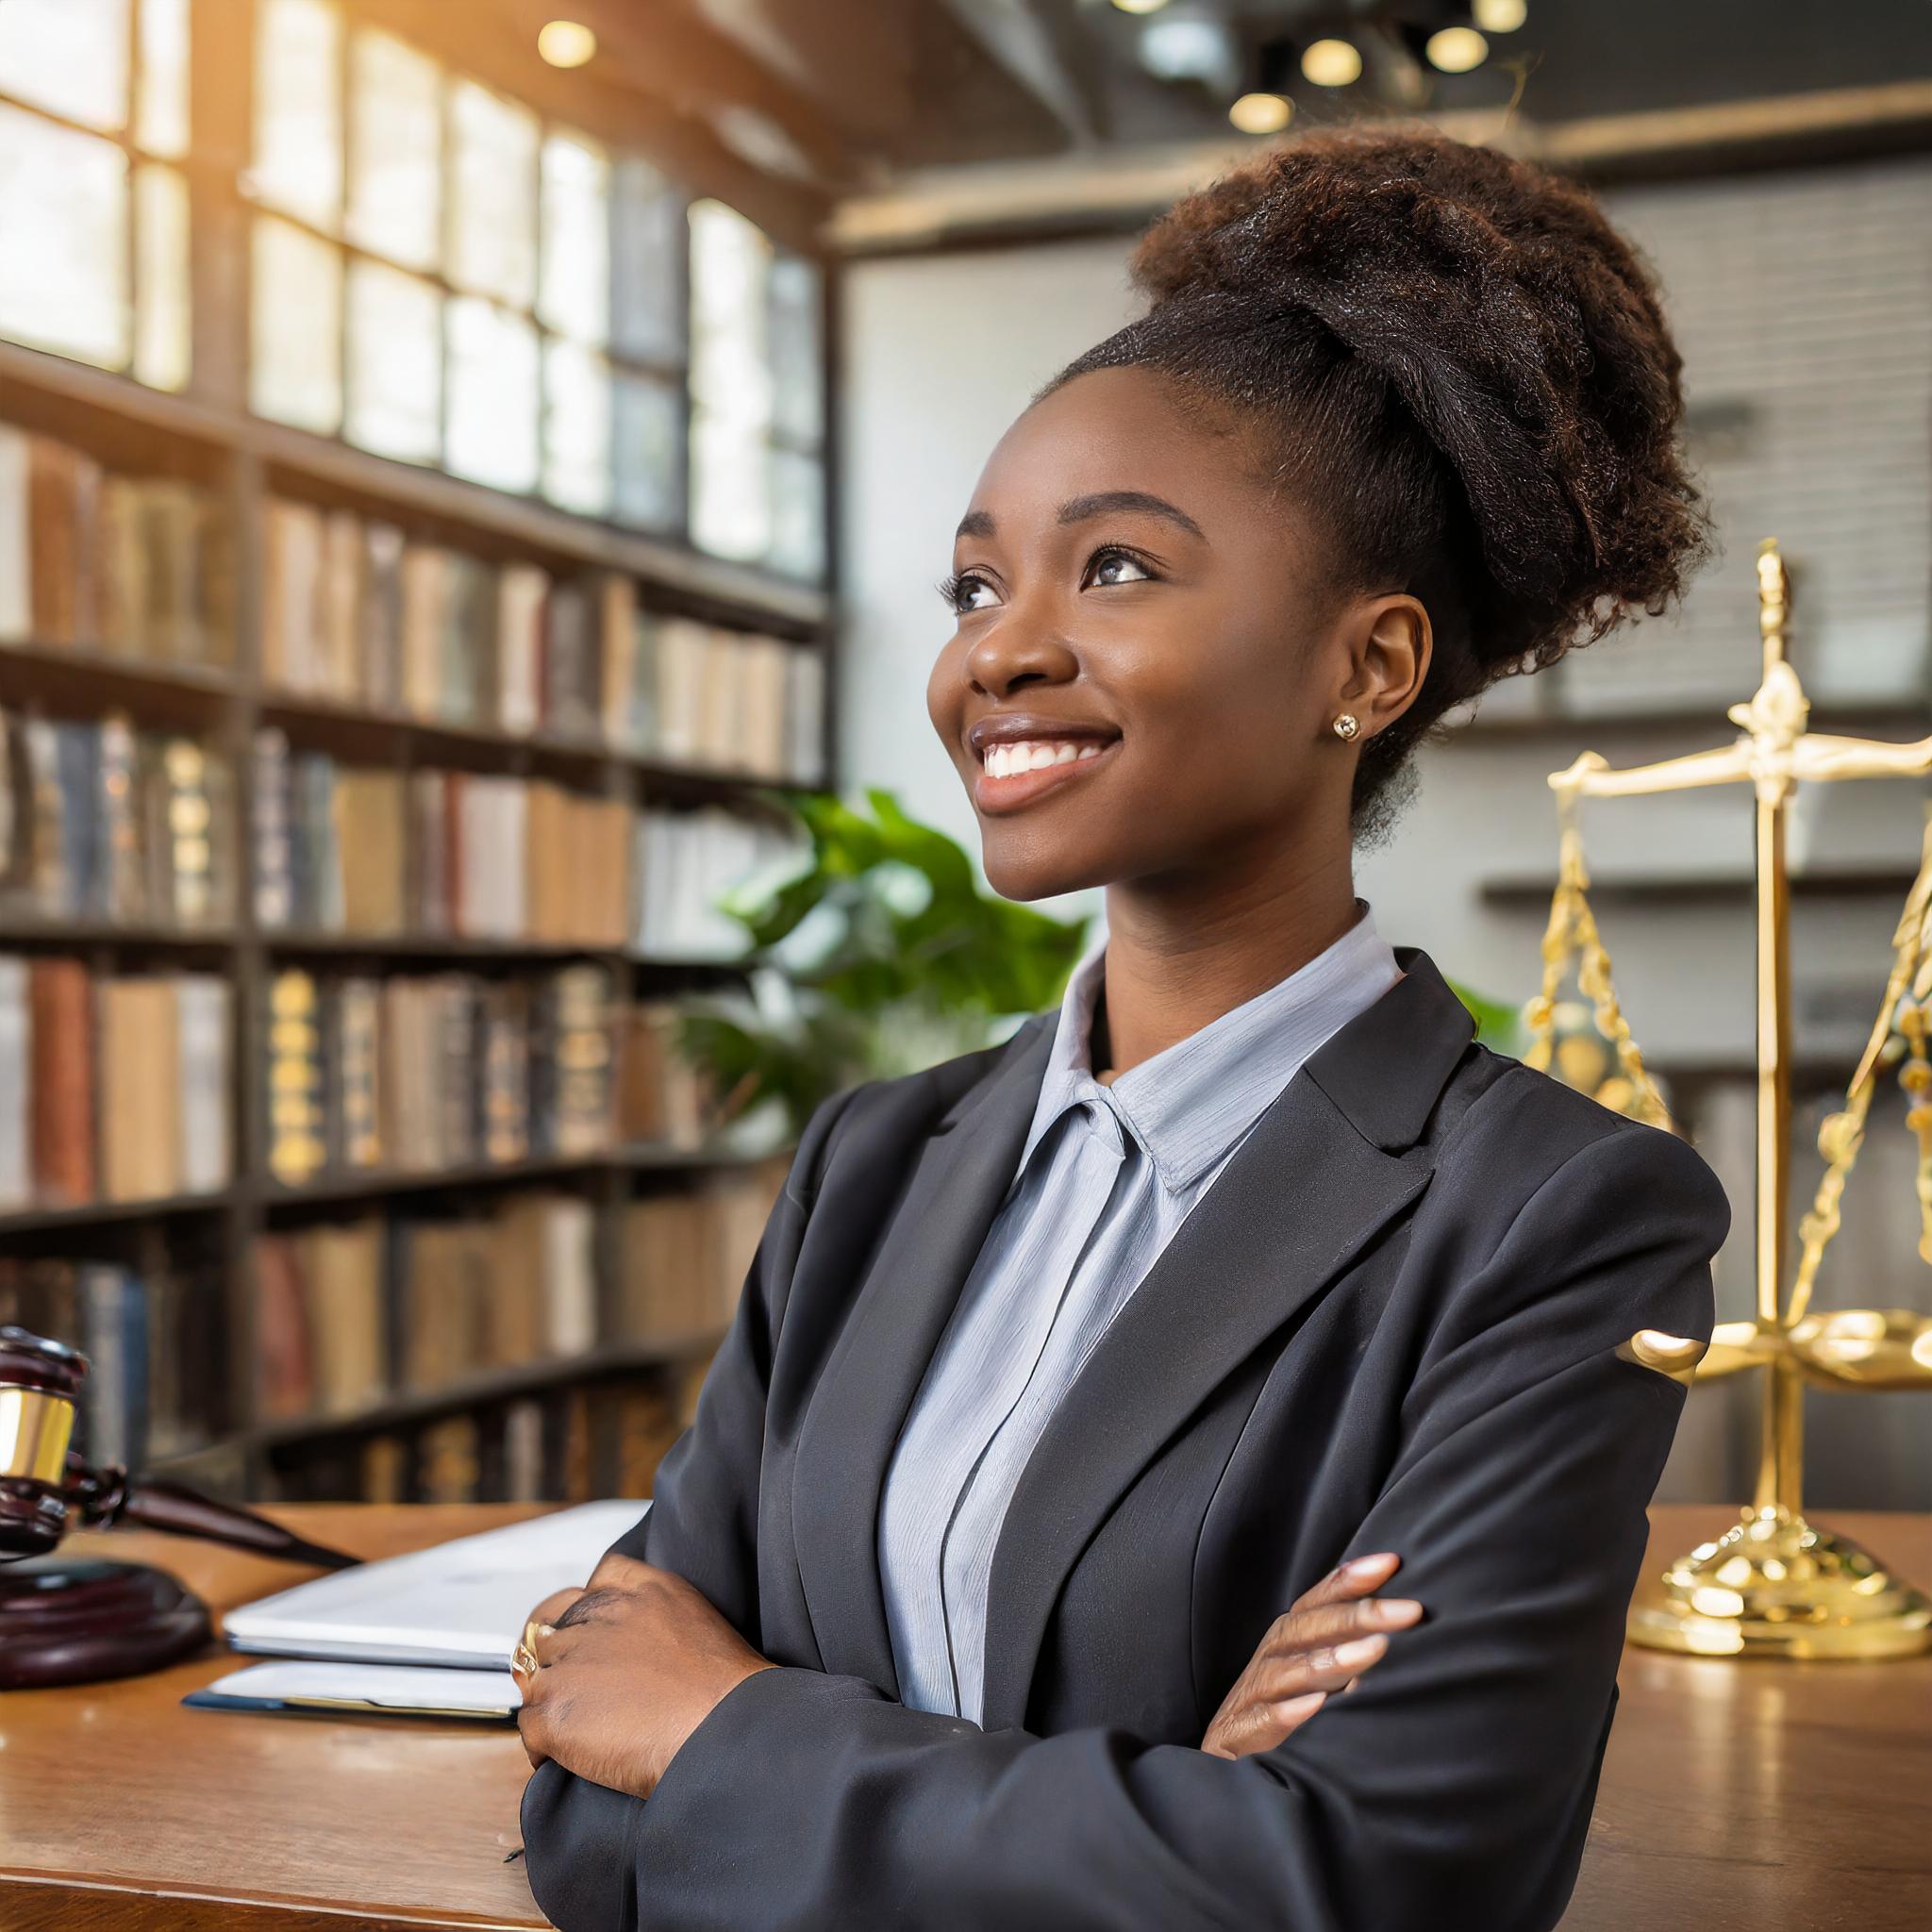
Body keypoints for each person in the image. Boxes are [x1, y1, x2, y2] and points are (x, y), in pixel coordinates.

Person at [512, 121, 1729, 1932]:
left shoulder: (1557, 1222)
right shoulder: (874, 1161)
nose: (997, 652)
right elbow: (579, 1786)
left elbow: (1375, 1886)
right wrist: (1149, 1806)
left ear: (1369, 666)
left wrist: (729, 1737)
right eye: (976, 584)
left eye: (1119, 570)